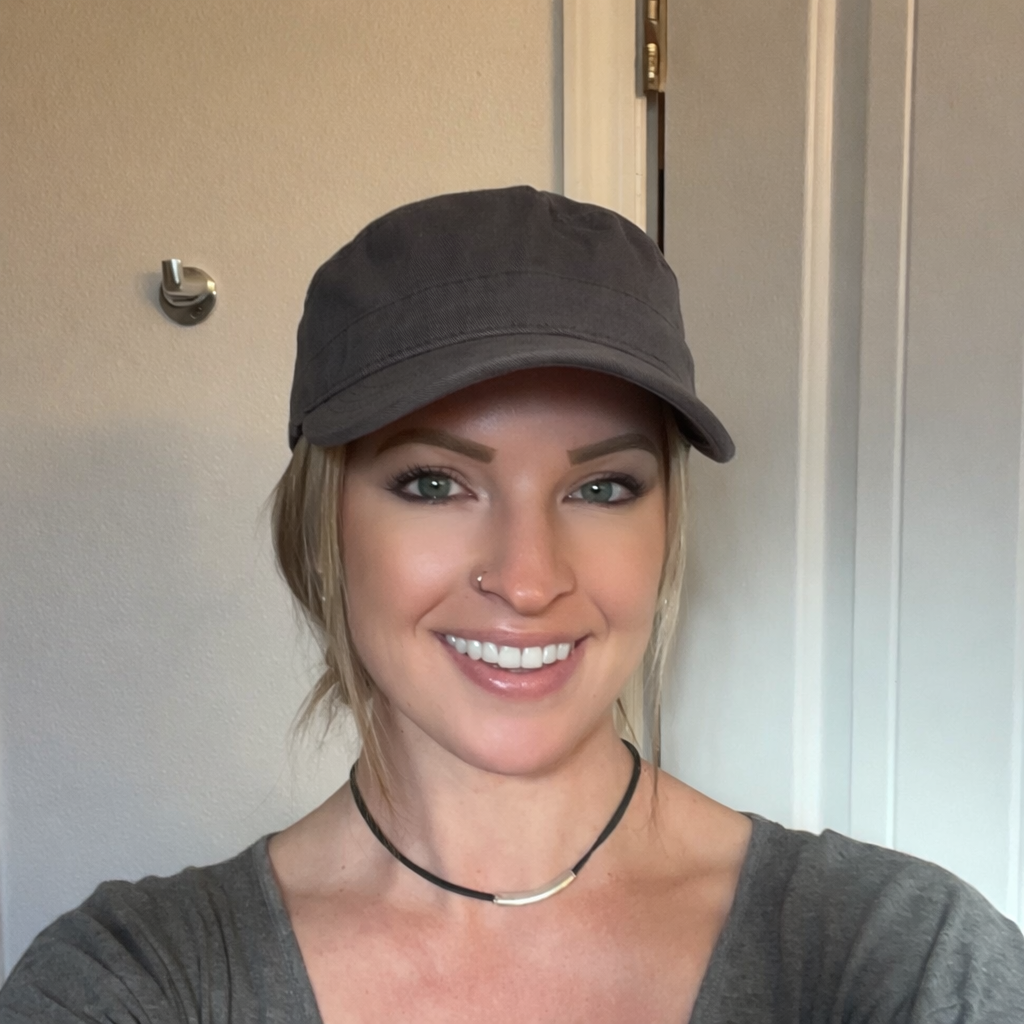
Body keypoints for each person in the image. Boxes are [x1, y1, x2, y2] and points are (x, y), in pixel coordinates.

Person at [1, 186, 1021, 1023]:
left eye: (602, 486)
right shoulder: (135, 984)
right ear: (325, 528)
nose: (528, 579)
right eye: (435, 483)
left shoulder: (898, 960)